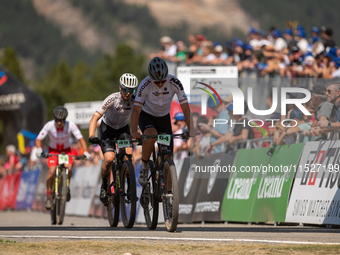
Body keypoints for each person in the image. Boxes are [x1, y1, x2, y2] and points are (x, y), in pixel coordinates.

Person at [131, 57, 193, 187]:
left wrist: (191, 128)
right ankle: (145, 166)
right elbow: (136, 110)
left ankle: (169, 194)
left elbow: (185, 107)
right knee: (151, 135)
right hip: (147, 116)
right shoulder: (145, 84)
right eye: (157, 82)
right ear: (150, 77)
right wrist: (134, 131)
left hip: (164, 118)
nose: (160, 84)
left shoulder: (174, 82)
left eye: (163, 81)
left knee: (168, 156)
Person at [88, 73, 139, 205]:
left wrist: (140, 133)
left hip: (123, 129)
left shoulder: (135, 99)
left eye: (131, 90)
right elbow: (94, 118)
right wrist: (91, 135)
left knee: (129, 155)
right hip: (107, 130)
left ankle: (130, 187)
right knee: (109, 158)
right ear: (120, 88)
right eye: (125, 89)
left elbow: (141, 116)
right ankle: (104, 186)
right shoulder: (112, 99)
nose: (128, 93)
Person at [35, 106, 90, 210]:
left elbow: (81, 139)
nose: (59, 123)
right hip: (53, 151)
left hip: (66, 151)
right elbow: (39, 138)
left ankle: (66, 187)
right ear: (53, 118)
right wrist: (38, 149)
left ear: (65, 119)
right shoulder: (49, 125)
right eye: (57, 120)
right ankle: (48, 198)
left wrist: (86, 151)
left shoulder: (71, 125)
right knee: (51, 173)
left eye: (62, 120)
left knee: (68, 169)